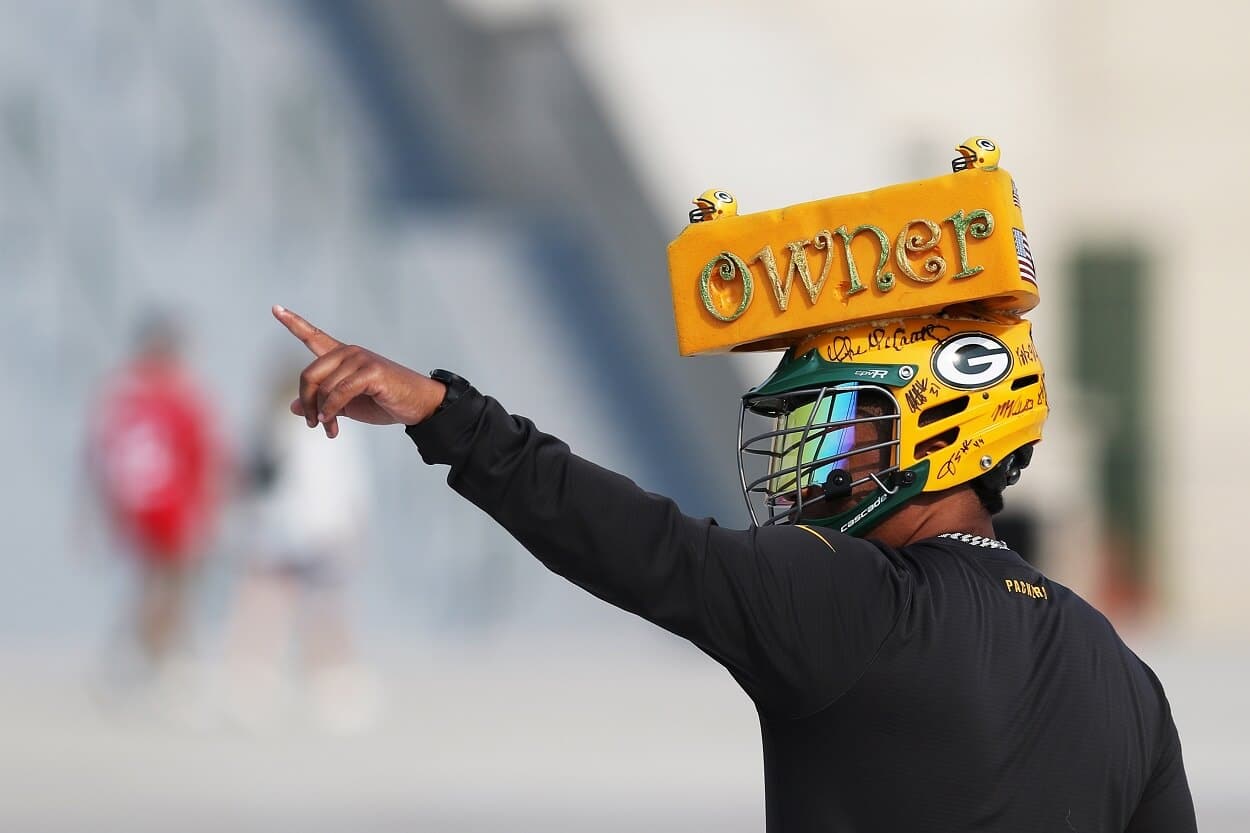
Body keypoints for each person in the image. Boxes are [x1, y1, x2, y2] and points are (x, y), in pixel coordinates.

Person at [271, 293, 1193, 832]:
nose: (810, 463)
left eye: (839, 428)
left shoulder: (854, 602)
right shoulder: (1125, 676)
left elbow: (644, 544)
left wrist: (445, 413)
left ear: (937, 431)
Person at [221, 363, 380, 733]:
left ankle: (320, 679)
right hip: (300, 526)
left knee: (311, 606)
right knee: (284, 604)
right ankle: (259, 679)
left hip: (311, 526)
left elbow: (348, 480)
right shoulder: (280, 424)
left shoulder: (290, 424)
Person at [86, 313, 227, 703]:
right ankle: (155, 661)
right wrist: (207, 508)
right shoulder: (177, 397)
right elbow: (201, 455)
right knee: (171, 585)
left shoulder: (120, 397)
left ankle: (144, 658)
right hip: (169, 505)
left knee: (153, 585)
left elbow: (100, 458)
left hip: (138, 507)